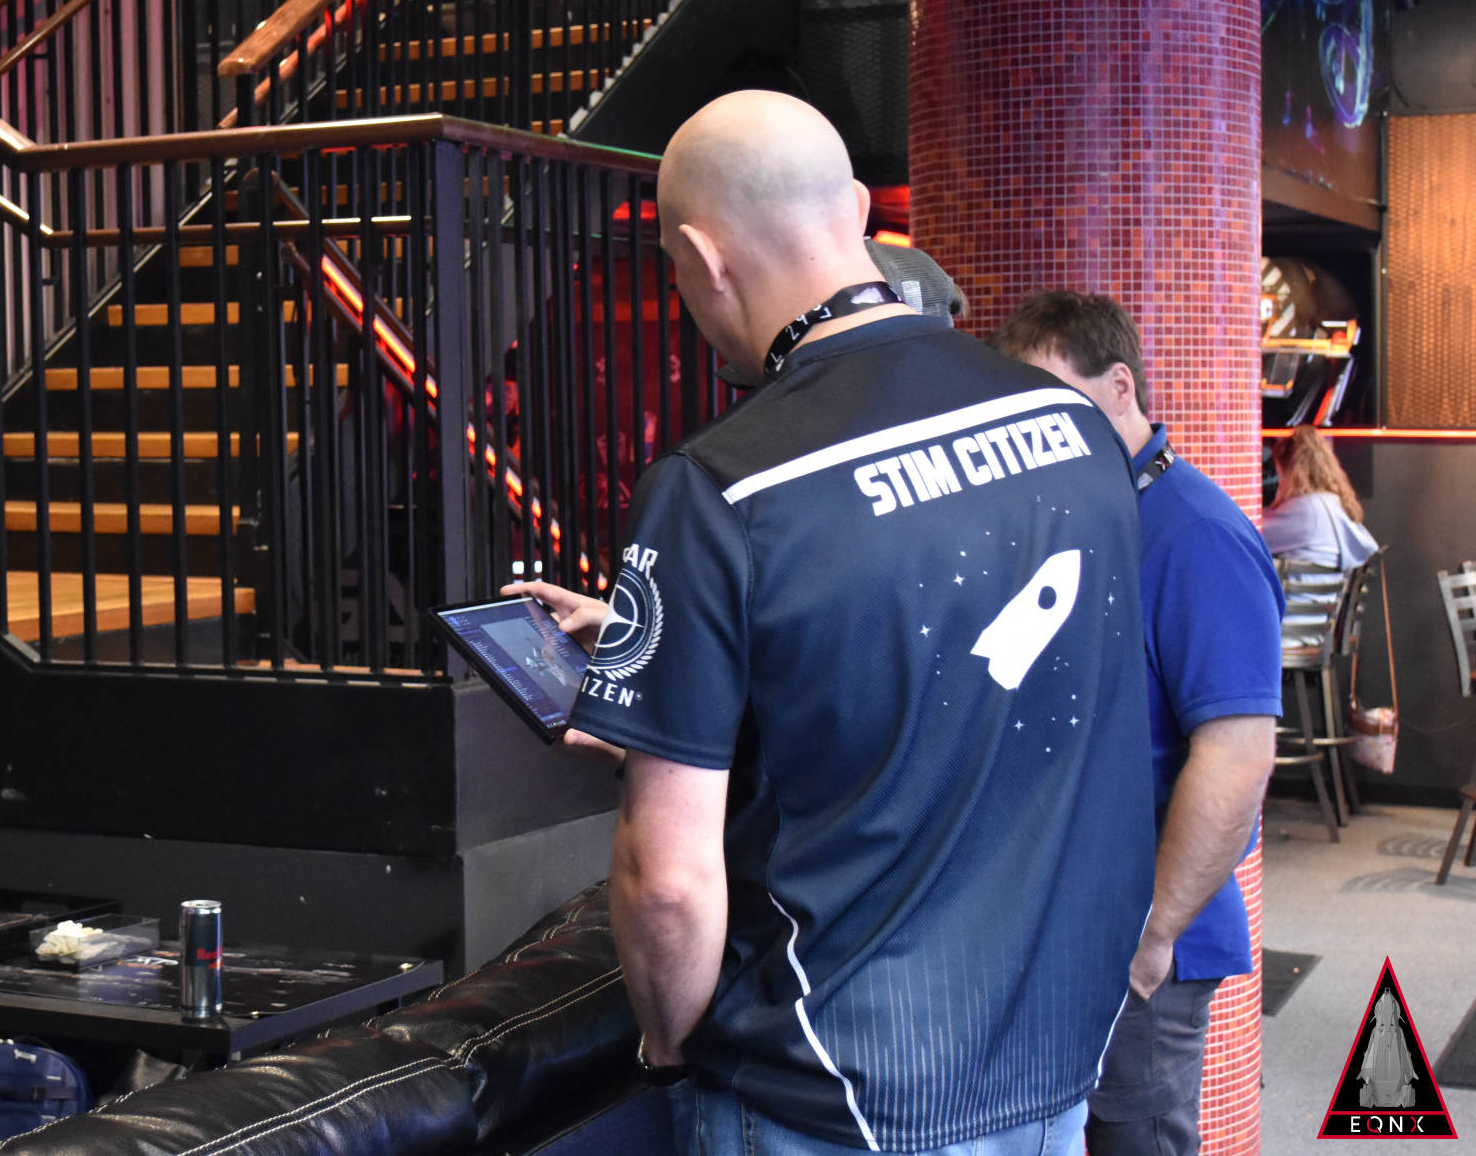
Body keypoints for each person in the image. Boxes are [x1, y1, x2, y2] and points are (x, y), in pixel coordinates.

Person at [514, 91, 1155, 1155]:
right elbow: (962, 686)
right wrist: (670, 659)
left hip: (833, 1100)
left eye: (675, 271)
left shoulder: (716, 488)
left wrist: (669, 1048)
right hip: (1055, 1068)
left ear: (701, 258)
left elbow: (666, 884)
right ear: (856, 209)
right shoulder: (1076, 427)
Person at [993, 291, 1281, 1156]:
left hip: (1140, 945)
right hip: (1050, 930)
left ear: (1121, 387)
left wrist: (1152, 937)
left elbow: (1237, 759)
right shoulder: (1078, 512)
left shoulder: (1195, 532)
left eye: (1053, 405)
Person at [1263, 425, 1379, 570]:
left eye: (1281, 474)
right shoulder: (1332, 502)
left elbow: (1253, 537)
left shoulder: (1308, 508)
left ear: (1292, 472)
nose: (1280, 483)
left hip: (1294, 585)